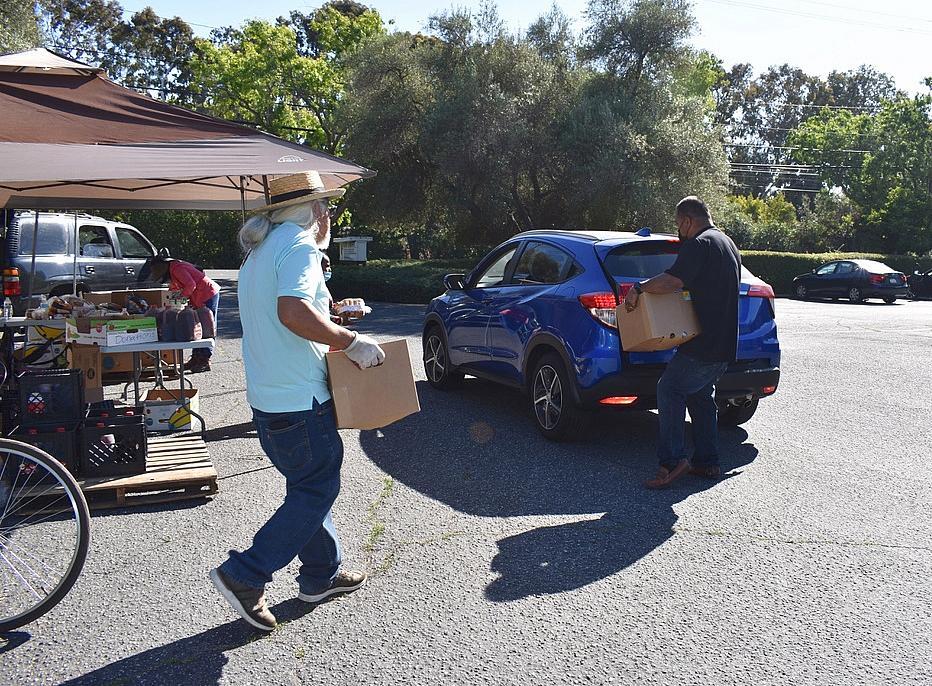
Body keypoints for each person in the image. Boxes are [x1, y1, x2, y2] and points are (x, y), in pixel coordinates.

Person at [209, 171, 386, 632]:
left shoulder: (259, 253)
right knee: (317, 487)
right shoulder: (301, 244)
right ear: (311, 210)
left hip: (269, 399)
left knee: (307, 485)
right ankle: (245, 574)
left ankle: (320, 575)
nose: (328, 214)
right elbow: (292, 312)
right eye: (325, 206)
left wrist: (330, 312)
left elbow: (287, 310)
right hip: (300, 398)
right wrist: (349, 339)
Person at [623, 196, 741, 490]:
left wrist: (639, 287)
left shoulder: (700, 244)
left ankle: (672, 463)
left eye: (679, 225)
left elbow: (673, 281)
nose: (679, 231)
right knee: (700, 396)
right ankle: (707, 461)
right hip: (725, 344)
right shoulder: (728, 243)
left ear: (688, 220)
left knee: (670, 387)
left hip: (703, 344)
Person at [141, 252, 220, 373]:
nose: (155, 273)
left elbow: (190, 284)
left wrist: (180, 299)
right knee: (195, 328)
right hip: (197, 298)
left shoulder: (177, 268)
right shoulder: (172, 272)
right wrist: (170, 303)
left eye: (156, 269)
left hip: (207, 294)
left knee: (206, 328)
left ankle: (205, 359)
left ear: (163, 265)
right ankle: (196, 357)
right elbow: (174, 290)